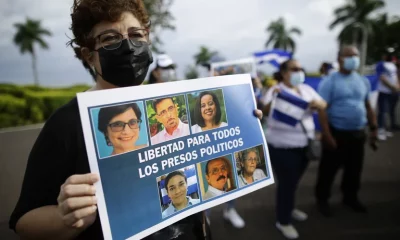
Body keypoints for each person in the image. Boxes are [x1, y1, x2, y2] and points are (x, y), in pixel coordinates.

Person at [8, 1, 215, 239]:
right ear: (88, 55)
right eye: (109, 39)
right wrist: (66, 218)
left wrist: (246, 123)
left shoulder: (171, 106)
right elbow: (24, 221)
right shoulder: (67, 123)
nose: (127, 46)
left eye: (136, 35)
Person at [262, 59, 327, 239]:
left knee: (294, 182)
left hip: (304, 145)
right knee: (287, 183)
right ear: (284, 73)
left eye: (300, 68)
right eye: (294, 69)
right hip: (282, 147)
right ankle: (283, 221)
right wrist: (273, 97)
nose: (299, 72)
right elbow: (264, 111)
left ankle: (289, 208)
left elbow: (323, 104)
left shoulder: (306, 89)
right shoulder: (275, 90)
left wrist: (317, 104)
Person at [316, 45, 378, 219]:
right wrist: (327, 135)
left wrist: (374, 128)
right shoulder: (330, 81)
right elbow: (322, 110)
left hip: (358, 133)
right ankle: (322, 200)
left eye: (356, 55)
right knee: (328, 170)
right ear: (340, 58)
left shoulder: (362, 81)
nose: (354, 59)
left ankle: (350, 198)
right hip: (337, 133)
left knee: (354, 169)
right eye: (350, 55)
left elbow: (368, 106)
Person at [375, 50, 400, 140]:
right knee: (382, 111)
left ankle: (384, 129)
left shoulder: (393, 65)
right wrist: (392, 87)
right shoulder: (380, 64)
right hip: (384, 92)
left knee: (389, 111)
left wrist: (397, 86)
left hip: (392, 92)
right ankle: (380, 130)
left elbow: (396, 76)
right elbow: (382, 78)